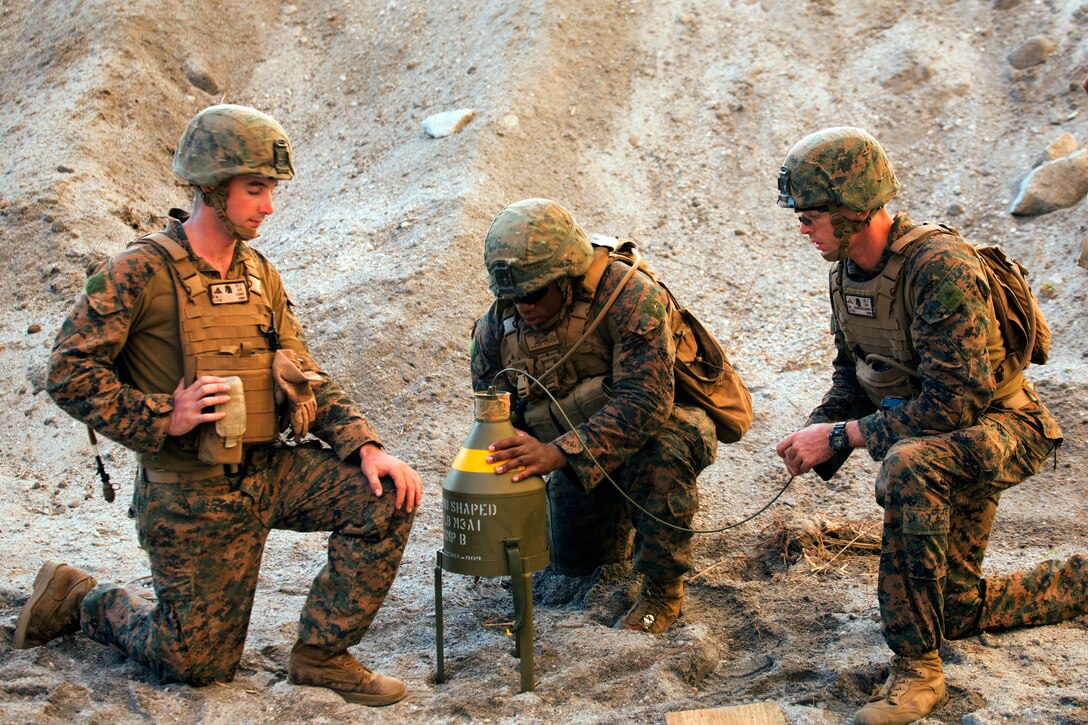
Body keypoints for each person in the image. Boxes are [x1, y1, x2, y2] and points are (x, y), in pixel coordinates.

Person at [16, 104, 422, 707]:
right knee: (195, 669)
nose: (269, 206)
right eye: (256, 189)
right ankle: (86, 600)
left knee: (386, 497)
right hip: (189, 493)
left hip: (266, 472)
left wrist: (363, 446)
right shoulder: (137, 271)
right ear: (211, 187)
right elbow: (68, 373)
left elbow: (305, 370)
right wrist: (164, 415)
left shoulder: (259, 274)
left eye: (271, 191)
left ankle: (321, 656)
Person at [774, 127, 1088, 725]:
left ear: (853, 211)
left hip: (1002, 425)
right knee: (957, 609)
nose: (802, 228)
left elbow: (956, 400)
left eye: (811, 215)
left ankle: (917, 670)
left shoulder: (939, 268)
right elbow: (855, 373)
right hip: (938, 429)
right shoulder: (845, 274)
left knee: (910, 467)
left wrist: (844, 437)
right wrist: (819, 432)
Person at [469, 198, 720, 634]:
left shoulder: (627, 295)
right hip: (573, 457)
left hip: (651, 433)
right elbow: (496, 425)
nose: (524, 307)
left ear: (566, 275)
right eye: (513, 296)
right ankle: (617, 519)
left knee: (663, 450)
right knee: (576, 562)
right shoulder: (495, 330)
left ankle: (663, 591)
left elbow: (646, 400)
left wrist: (556, 453)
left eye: (534, 293)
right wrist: (495, 528)